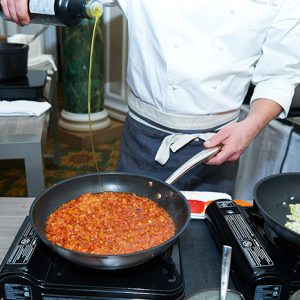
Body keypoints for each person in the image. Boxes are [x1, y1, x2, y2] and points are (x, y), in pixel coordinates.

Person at [3, 0, 300, 196]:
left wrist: (250, 127)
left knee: (203, 249)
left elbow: (279, 75)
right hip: (142, 137)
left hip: (218, 146)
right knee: (125, 233)